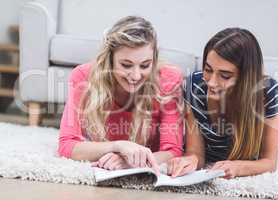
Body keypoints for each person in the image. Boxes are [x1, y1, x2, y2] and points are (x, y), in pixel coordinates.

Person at [58, 16, 184, 174]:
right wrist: (117, 146)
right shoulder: (83, 77)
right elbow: (67, 146)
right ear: (109, 59)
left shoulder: (169, 79)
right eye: (126, 65)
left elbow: (173, 151)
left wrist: (130, 161)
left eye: (145, 65)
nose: (136, 75)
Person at [167, 28, 278, 179]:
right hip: (209, 163)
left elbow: (269, 162)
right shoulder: (195, 86)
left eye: (225, 76)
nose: (212, 82)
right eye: (208, 69)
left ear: (246, 78)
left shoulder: (267, 92)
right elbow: (196, 153)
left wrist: (238, 167)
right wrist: (190, 161)